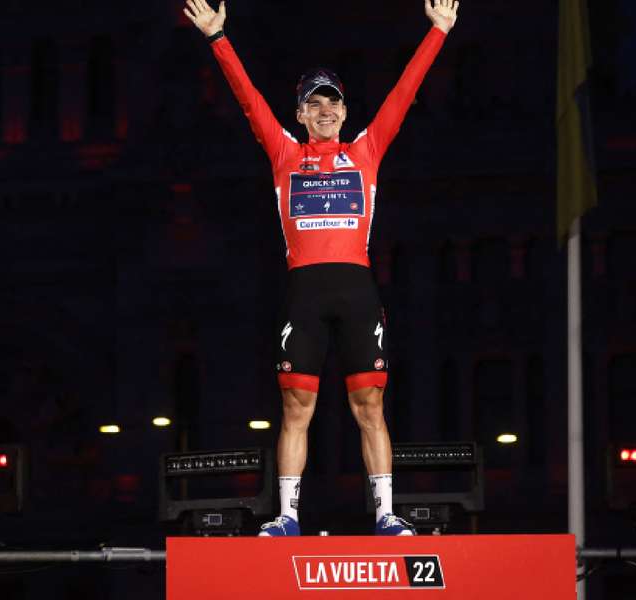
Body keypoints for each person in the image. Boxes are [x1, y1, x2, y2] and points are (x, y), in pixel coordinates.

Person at [184, 0, 460, 536]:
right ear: (302, 115)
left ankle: (385, 514)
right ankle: (286, 516)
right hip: (304, 294)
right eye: (316, 103)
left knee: (370, 403)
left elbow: (404, 94)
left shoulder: (366, 150)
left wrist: (439, 32)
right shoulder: (285, 153)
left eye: (334, 101)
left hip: (355, 289)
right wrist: (218, 38)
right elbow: (248, 100)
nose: (327, 109)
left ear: (345, 111)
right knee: (295, 406)